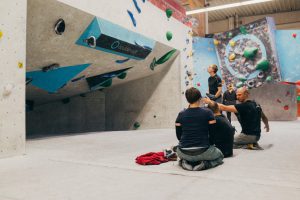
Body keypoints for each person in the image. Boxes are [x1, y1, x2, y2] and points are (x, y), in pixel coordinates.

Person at [175, 87, 224, 171]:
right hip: (203, 150)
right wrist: (211, 145)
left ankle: (184, 162)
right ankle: (205, 164)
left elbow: (179, 136)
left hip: (183, 152)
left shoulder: (181, 114)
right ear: (200, 98)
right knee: (220, 155)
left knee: (180, 152)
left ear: (187, 100)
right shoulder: (208, 112)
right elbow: (213, 134)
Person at [205, 87, 269, 149]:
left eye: (239, 95)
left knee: (226, 143)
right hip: (257, 136)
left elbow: (224, 107)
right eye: (237, 95)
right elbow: (264, 117)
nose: (237, 97)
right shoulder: (256, 104)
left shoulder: (244, 106)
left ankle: (249, 144)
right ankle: (251, 143)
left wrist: (210, 102)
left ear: (246, 94)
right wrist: (267, 125)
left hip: (248, 136)